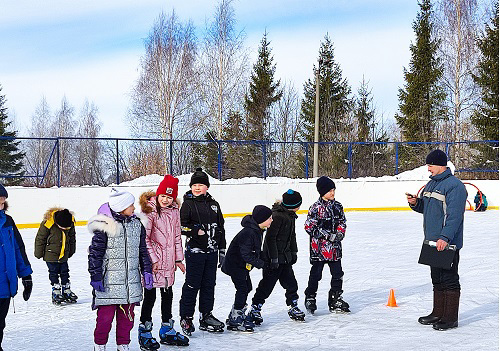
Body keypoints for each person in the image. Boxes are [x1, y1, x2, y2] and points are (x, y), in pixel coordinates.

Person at [406, 149, 467, 331]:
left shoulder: (455, 186)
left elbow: (454, 217)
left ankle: (450, 318)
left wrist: (445, 237)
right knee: (436, 278)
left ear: (441, 165)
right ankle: (437, 313)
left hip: (447, 242)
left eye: (430, 165)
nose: (428, 169)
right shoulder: (430, 185)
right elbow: (427, 209)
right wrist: (416, 204)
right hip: (432, 241)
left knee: (449, 278)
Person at [88, 188, 153, 351]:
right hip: (108, 283)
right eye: (130, 205)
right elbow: (95, 254)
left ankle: (123, 345)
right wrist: (96, 276)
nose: (133, 208)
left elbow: (142, 251)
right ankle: (100, 345)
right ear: (120, 207)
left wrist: (147, 270)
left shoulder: (137, 224)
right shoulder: (105, 226)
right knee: (104, 319)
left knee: (127, 319)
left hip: (130, 283)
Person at [137, 175, 189, 349]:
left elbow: (176, 237)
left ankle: (166, 330)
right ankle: (145, 331)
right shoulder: (149, 210)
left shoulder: (174, 211)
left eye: (169, 197)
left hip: (168, 263)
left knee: (168, 295)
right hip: (153, 264)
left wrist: (178, 259)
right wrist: (153, 259)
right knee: (150, 297)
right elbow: (145, 239)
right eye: (163, 196)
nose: (166, 200)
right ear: (158, 195)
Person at [179, 168, 226, 335]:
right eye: (194, 185)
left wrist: (222, 250)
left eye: (201, 184)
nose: (197, 188)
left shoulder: (214, 205)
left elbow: (221, 227)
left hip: (212, 252)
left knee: (209, 285)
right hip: (195, 252)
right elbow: (181, 226)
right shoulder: (187, 204)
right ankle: (186, 317)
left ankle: (206, 316)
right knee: (192, 285)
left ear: (207, 187)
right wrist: (194, 230)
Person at [249, 189, 305, 324]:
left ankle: (293, 306)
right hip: (271, 259)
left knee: (291, 283)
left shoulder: (290, 216)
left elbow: (292, 236)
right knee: (267, 285)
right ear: (293, 206)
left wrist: (294, 252)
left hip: (285, 258)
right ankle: (255, 308)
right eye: (299, 204)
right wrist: (273, 258)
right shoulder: (277, 216)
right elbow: (270, 239)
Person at [222, 205, 273, 332]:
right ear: (262, 219)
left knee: (247, 287)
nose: (272, 220)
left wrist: (265, 258)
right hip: (235, 265)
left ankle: (235, 313)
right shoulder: (249, 232)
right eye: (270, 218)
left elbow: (254, 251)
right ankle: (236, 318)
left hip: (241, 266)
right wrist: (262, 264)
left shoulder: (257, 230)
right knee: (243, 289)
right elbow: (246, 255)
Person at [303, 176, 350, 314]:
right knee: (316, 274)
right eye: (329, 190)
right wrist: (327, 235)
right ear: (322, 192)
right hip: (319, 249)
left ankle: (335, 297)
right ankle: (310, 296)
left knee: (338, 273)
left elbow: (342, 222)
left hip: (335, 249)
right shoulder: (315, 208)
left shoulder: (338, 206)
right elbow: (309, 227)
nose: (332, 193)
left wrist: (340, 233)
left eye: (333, 190)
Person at [0, 184, 33, 351]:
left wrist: (26, 275)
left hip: (4, 285)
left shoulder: (8, 221)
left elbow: (18, 248)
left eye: (2, 203)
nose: (1, 206)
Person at [34, 207, 78, 304]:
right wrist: (38, 253)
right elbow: (40, 238)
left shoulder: (69, 222)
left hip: (63, 254)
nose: (65, 229)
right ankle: (56, 290)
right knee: (53, 272)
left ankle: (66, 289)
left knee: (65, 272)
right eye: (63, 228)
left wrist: (71, 251)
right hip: (50, 254)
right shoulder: (48, 223)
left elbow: (72, 238)